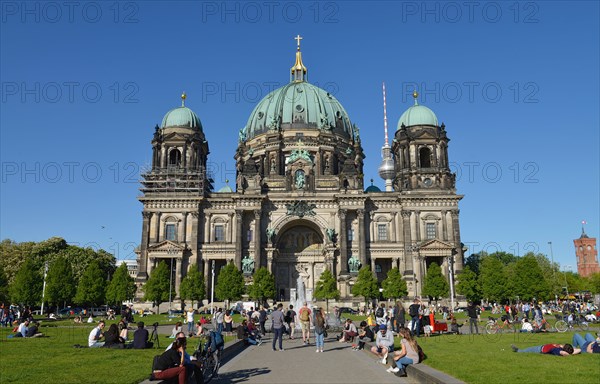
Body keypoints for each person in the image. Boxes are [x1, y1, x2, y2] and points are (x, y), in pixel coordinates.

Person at [511, 343, 579, 356]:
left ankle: (518, 350)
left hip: (539, 349)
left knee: (527, 350)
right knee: (528, 349)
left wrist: (569, 354)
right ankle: (518, 350)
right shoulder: (559, 348)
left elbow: (563, 353)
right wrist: (571, 352)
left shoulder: (557, 350)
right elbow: (579, 350)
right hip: (541, 347)